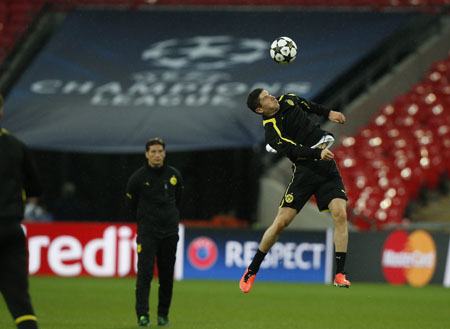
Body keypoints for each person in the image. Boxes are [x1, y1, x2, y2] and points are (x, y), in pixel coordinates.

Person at [239, 89, 351, 293]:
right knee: (281, 223)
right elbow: (293, 150)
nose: (271, 96)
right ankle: (252, 269)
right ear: (259, 109)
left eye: (268, 93)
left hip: (326, 168)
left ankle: (340, 274)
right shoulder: (272, 131)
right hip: (304, 172)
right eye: (265, 98)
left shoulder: (289, 99)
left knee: (340, 215)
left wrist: (328, 113)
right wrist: (317, 153)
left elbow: (309, 105)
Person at [126, 137, 184, 327]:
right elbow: (130, 205)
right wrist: (147, 221)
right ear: (147, 154)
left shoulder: (174, 175)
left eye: (160, 151)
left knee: (166, 277)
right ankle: (143, 315)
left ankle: (163, 315)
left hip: (169, 233)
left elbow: (179, 199)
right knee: (145, 276)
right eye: (153, 152)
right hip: (148, 233)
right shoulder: (138, 178)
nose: (157, 155)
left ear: (164, 154)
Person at [0, 94, 42, 329]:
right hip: (11, 229)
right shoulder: (16, 146)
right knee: (19, 301)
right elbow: (36, 187)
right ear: (2, 112)